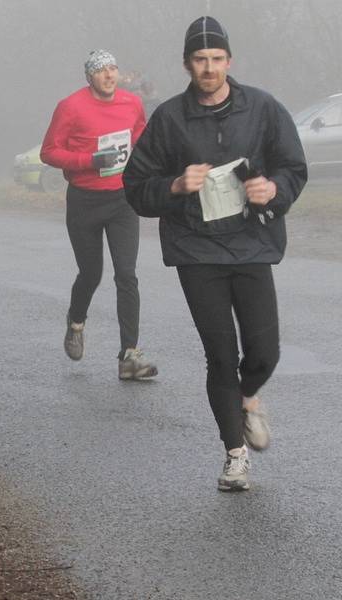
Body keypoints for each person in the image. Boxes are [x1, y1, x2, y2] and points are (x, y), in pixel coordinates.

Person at [123, 16, 307, 491]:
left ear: (230, 61)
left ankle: (248, 399)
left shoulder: (263, 108)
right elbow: (135, 187)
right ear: (187, 64)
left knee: (265, 351)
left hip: (251, 244)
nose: (209, 68)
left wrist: (275, 188)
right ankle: (235, 455)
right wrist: (174, 185)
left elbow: (293, 166)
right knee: (221, 355)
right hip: (196, 249)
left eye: (217, 59)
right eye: (200, 60)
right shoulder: (168, 118)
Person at [40, 50, 158, 380]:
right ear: (90, 77)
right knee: (91, 273)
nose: (109, 75)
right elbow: (48, 151)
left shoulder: (131, 103)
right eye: (101, 70)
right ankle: (76, 321)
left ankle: (129, 356)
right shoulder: (70, 107)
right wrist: (90, 161)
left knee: (127, 274)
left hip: (122, 200)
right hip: (84, 201)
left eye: (113, 69)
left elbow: (140, 136)